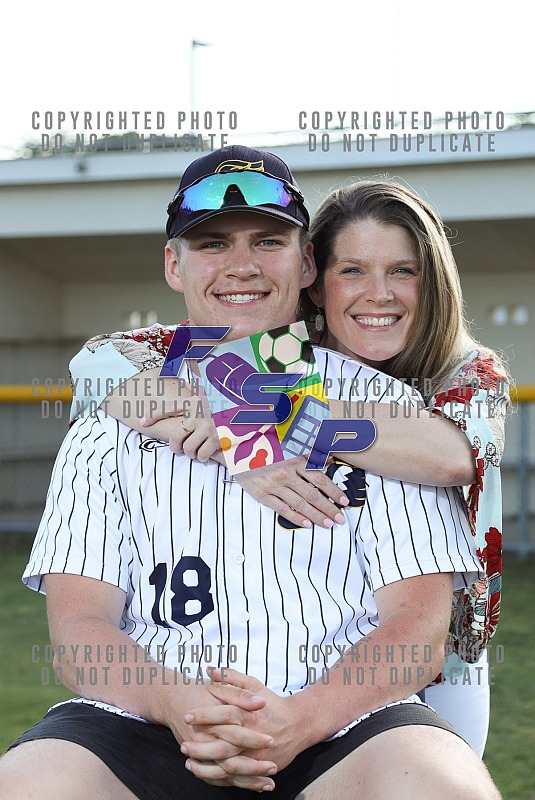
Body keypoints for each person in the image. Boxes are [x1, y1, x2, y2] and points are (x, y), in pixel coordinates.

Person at [0, 145, 501, 800]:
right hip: (142, 719)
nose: (241, 265)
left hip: (349, 721)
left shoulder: (400, 405)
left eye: (268, 240)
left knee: (444, 785)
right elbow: (78, 632)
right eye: (211, 244)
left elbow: (416, 623)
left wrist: (256, 424)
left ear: (304, 264)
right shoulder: (122, 395)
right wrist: (180, 704)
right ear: (173, 265)